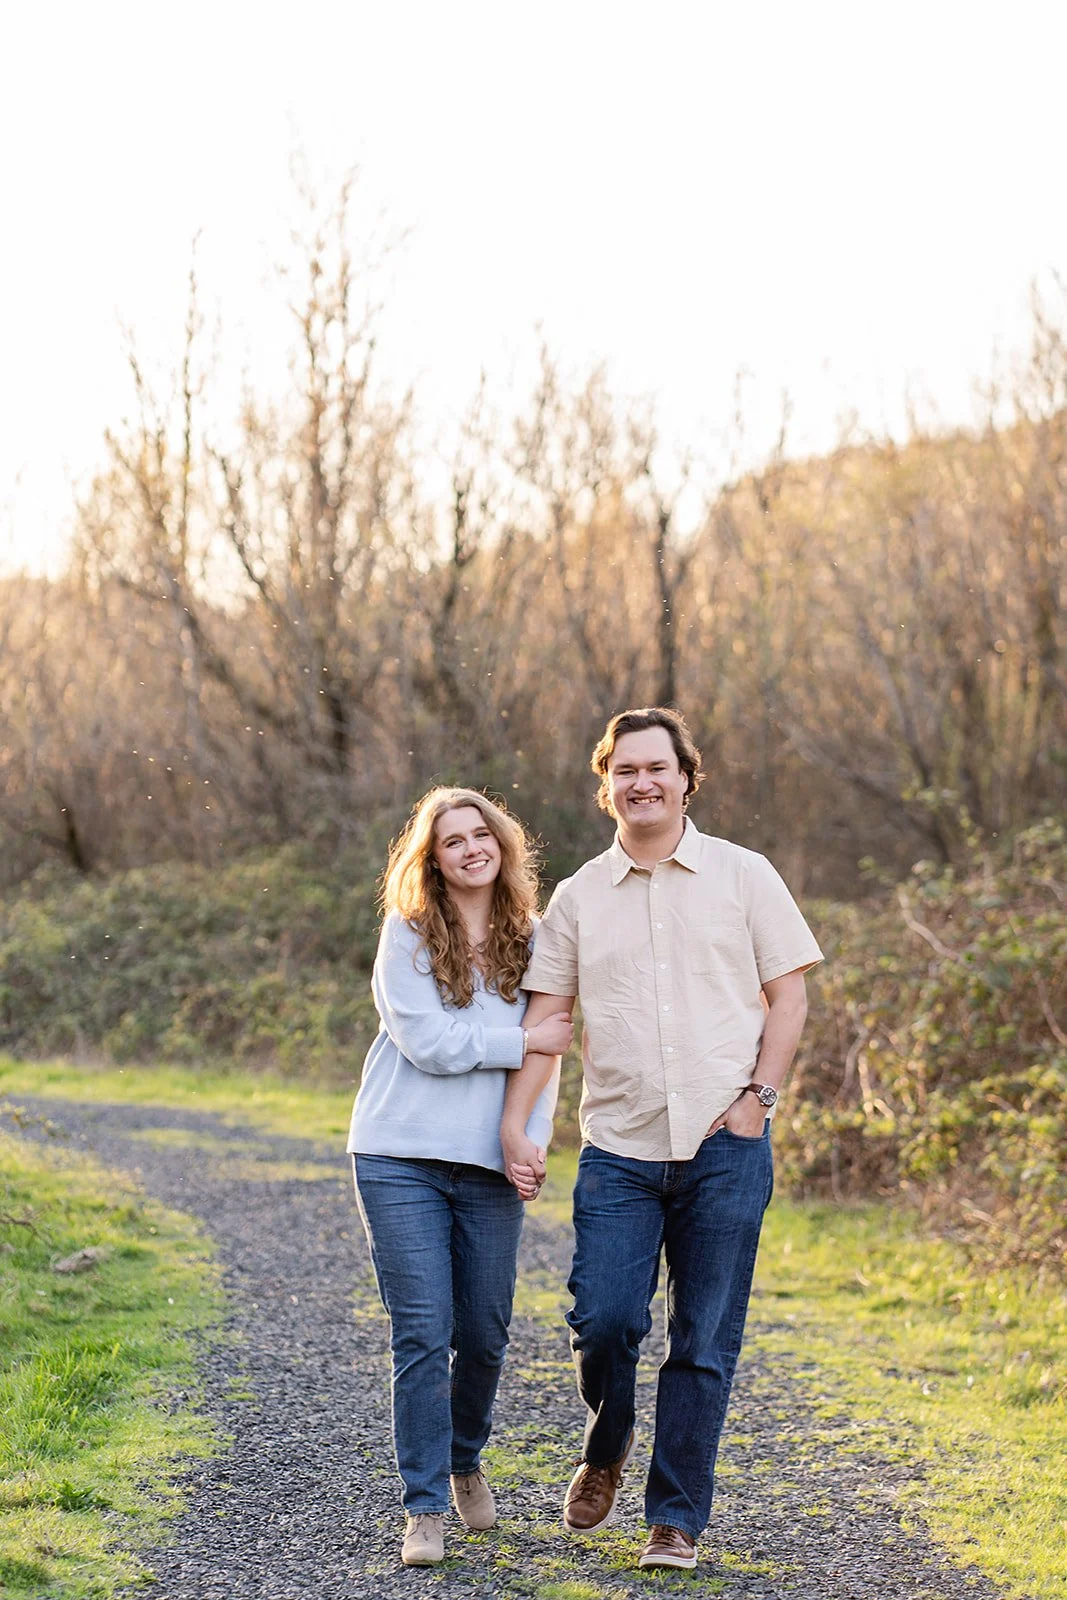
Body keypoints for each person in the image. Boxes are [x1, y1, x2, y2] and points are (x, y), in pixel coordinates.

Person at [502, 707, 822, 1572]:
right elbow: (547, 1021)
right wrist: (516, 1126)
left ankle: (673, 1519)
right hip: (619, 1150)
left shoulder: (743, 875)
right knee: (604, 1322)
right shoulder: (576, 899)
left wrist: (760, 1100)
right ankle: (606, 1445)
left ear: (686, 778)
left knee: (703, 1338)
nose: (642, 782)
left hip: (727, 1143)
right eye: (625, 770)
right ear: (604, 786)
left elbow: (787, 997)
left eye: (658, 767)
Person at [349, 787, 572, 1567]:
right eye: (453, 840)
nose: (471, 847)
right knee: (422, 1332)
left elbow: (551, 1052)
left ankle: (464, 1458)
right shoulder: (406, 936)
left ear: (502, 845)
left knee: (484, 1332)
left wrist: (530, 1139)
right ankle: (422, 1507)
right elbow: (427, 1044)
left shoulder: (540, 940)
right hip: (398, 1153)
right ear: (432, 858)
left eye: (482, 833)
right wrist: (518, 1034)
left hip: (489, 1162)